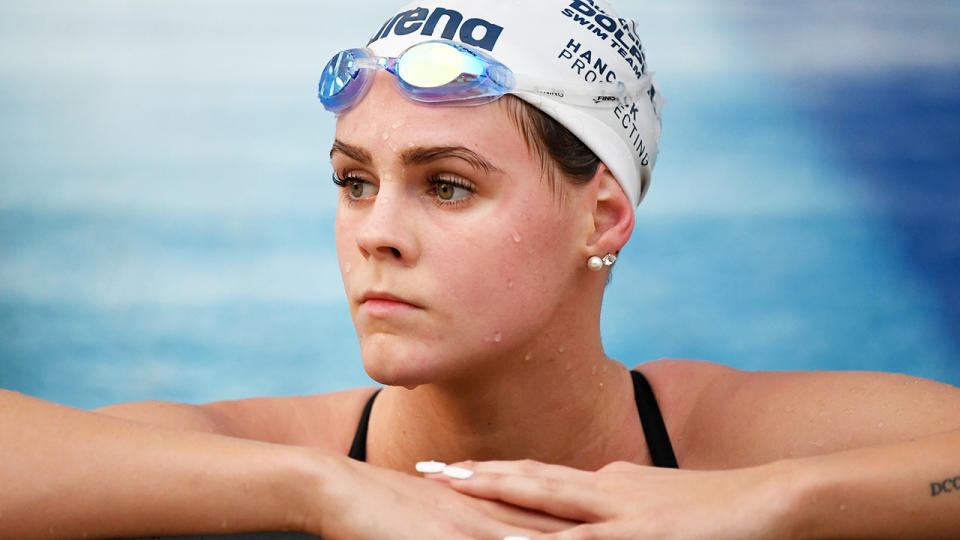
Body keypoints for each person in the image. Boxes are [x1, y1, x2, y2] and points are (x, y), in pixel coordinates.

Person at [3, 1, 960, 538]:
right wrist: (317, 493)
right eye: (353, 181)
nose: (376, 232)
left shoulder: (728, 444)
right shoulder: (274, 457)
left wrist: (772, 501)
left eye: (448, 186)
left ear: (605, 214)